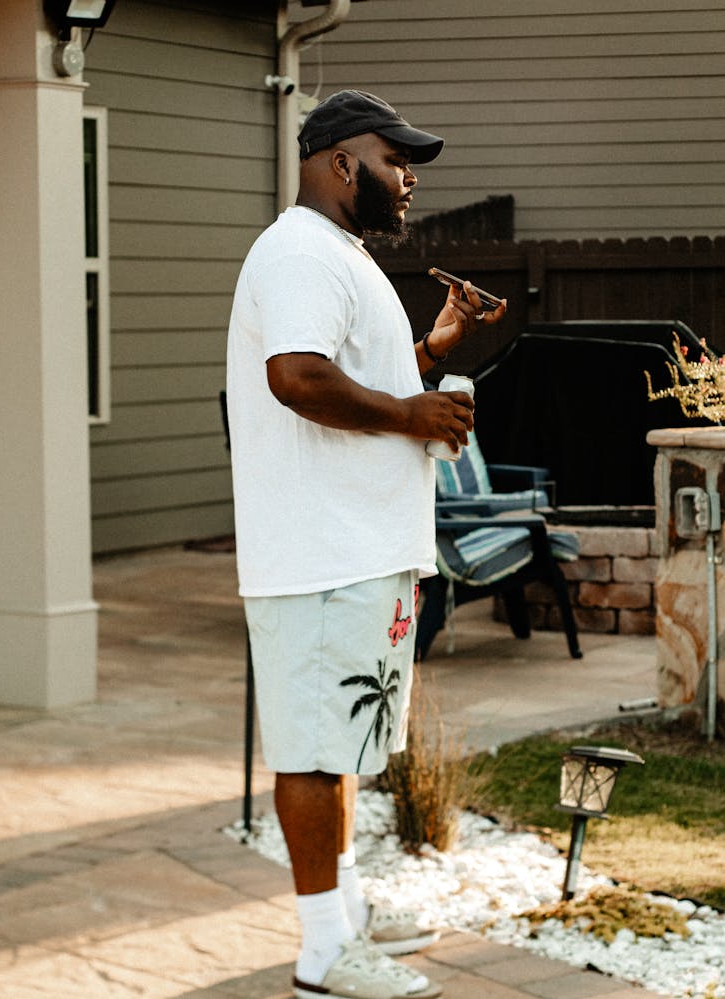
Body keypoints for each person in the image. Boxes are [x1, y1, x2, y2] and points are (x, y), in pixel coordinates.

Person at [226, 90, 506, 999]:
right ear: (342, 163)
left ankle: (342, 913)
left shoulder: (335, 256)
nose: (408, 176)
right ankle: (320, 953)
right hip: (318, 555)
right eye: (395, 159)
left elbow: (356, 379)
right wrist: (412, 410)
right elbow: (297, 377)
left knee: (339, 744)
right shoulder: (299, 250)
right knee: (311, 752)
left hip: (356, 551)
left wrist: (432, 354)